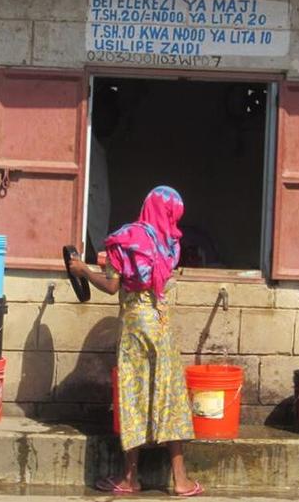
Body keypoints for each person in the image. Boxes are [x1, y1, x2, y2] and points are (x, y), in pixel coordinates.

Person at [67, 186, 202, 497]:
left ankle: (130, 479)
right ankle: (181, 480)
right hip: (162, 323)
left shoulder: (126, 240)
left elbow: (114, 286)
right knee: (169, 396)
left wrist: (83, 270)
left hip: (134, 327)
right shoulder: (171, 244)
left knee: (133, 396)